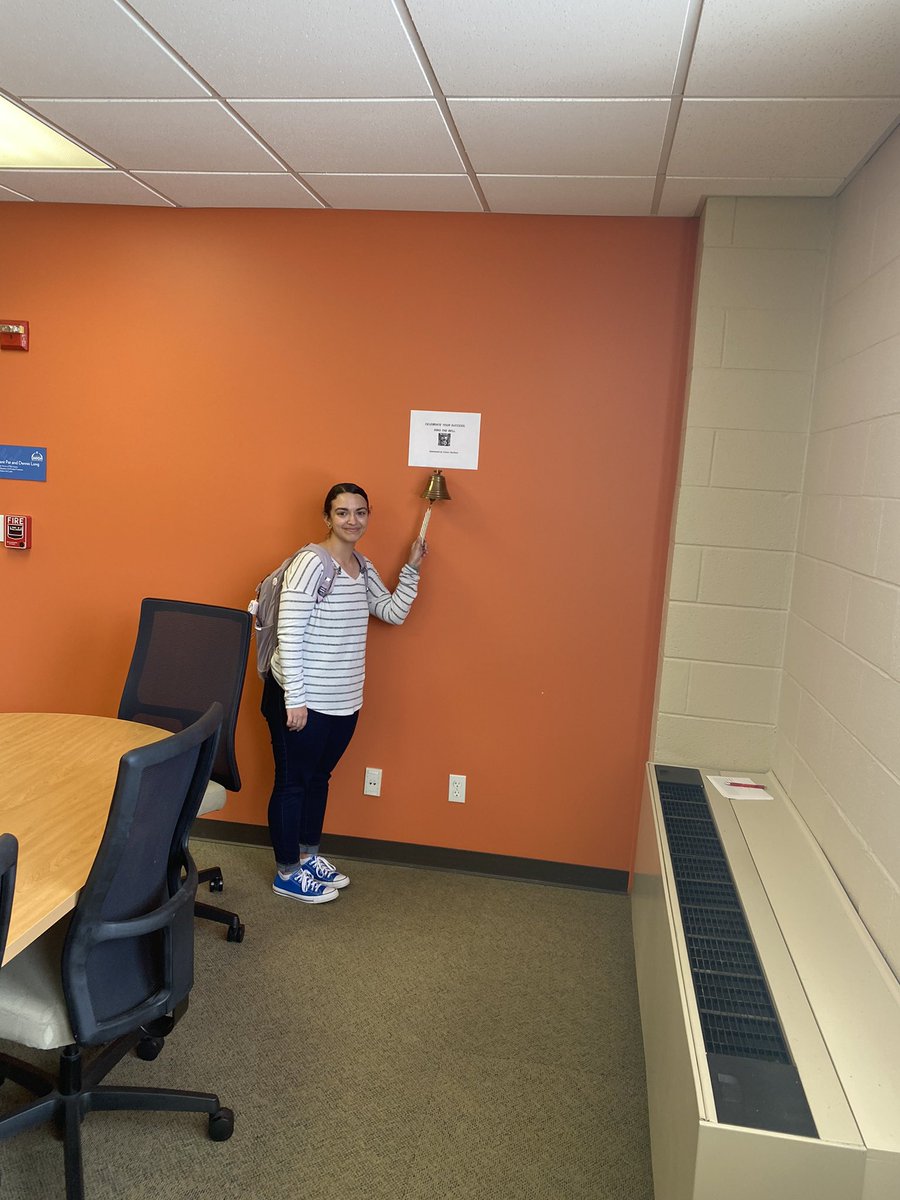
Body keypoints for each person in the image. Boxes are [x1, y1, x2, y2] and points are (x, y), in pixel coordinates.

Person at [261, 482, 426, 904]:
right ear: (327, 518)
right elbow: (290, 633)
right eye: (342, 512)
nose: (352, 520)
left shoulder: (362, 567)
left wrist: (411, 568)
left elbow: (392, 612)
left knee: (319, 779)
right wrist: (293, 699)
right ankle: (286, 872)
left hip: (343, 700)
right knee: (292, 783)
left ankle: (308, 854)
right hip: (300, 700)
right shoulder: (309, 564)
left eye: (360, 512)